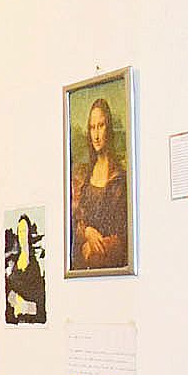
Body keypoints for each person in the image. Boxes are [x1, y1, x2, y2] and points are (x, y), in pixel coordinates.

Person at [70, 98, 129, 271]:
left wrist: (96, 248)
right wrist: (87, 232)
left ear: (109, 129)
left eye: (101, 126)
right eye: (92, 127)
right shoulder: (83, 175)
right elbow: (75, 222)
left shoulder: (119, 178)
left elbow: (123, 236)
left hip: (107, 260)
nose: (96, 135)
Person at [4, 212, 46, 323]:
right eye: (20, 231)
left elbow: (41, 302)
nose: (22, 235)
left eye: (24, 231)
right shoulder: (13, 261)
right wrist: (12, 297)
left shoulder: (35, 264)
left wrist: (25, 305)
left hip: (31, 321)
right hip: (14, 321)